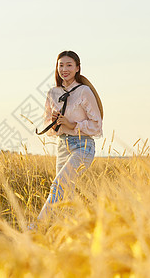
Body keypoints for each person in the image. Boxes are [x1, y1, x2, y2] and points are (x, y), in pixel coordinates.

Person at [35, 50, 103, 223]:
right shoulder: (53, 93)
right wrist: (56, 122)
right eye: (61, 65)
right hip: (62, 145)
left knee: (58, 186)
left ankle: (35, 228)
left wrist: (71, 124)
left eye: (69, 65)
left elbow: (97, 125)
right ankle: (74, 232)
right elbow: (49, 128)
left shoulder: (84, 91)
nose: (64, 69)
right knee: (67, 194)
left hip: (82, 146)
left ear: (78, 68)